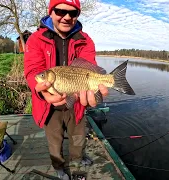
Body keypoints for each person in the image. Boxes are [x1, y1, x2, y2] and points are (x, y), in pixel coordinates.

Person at [24, 0, 108, 179]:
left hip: (76, 102)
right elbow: (33, 72)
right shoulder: (35, 39)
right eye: (60, 11)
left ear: (77, 15)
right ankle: (59, 166)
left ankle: (78, 156)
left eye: (73, 13)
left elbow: (90, 68)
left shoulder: (86, 40)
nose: (67, 17)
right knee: (54, 141)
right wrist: (41, 91)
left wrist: (95, 91)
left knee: (78, 136)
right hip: (48, 107)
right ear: (51, 11)